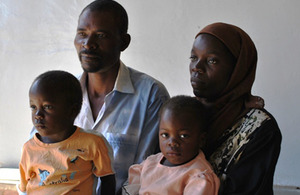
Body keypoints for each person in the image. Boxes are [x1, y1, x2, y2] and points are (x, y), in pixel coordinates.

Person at [73, 0, 170, 193]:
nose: (88, 44)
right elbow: (39, 155)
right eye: (82, 34)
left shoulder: (151, 95)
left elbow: (145, 176)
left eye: (101, 35)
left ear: (123, 42)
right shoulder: (63, 93)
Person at [189, 22, 282, 194]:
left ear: (237, 69)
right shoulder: (184, 114)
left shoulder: (260, 129)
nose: (197, 67)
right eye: (193, 57)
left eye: (211, 60)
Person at [19, 70, 115, 195]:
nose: (38, 115)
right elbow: (24, 189)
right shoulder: (29, 149)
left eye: (47, 107)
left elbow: (108, 179)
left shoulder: (92, 143)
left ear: (72, 111)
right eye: (33, 107)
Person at [123, 95, 220, 195]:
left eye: (183, 136)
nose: (172, 142)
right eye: (165, 135)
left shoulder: (198, 177)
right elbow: (132, 189)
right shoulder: (151, 163)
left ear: (201, 140)